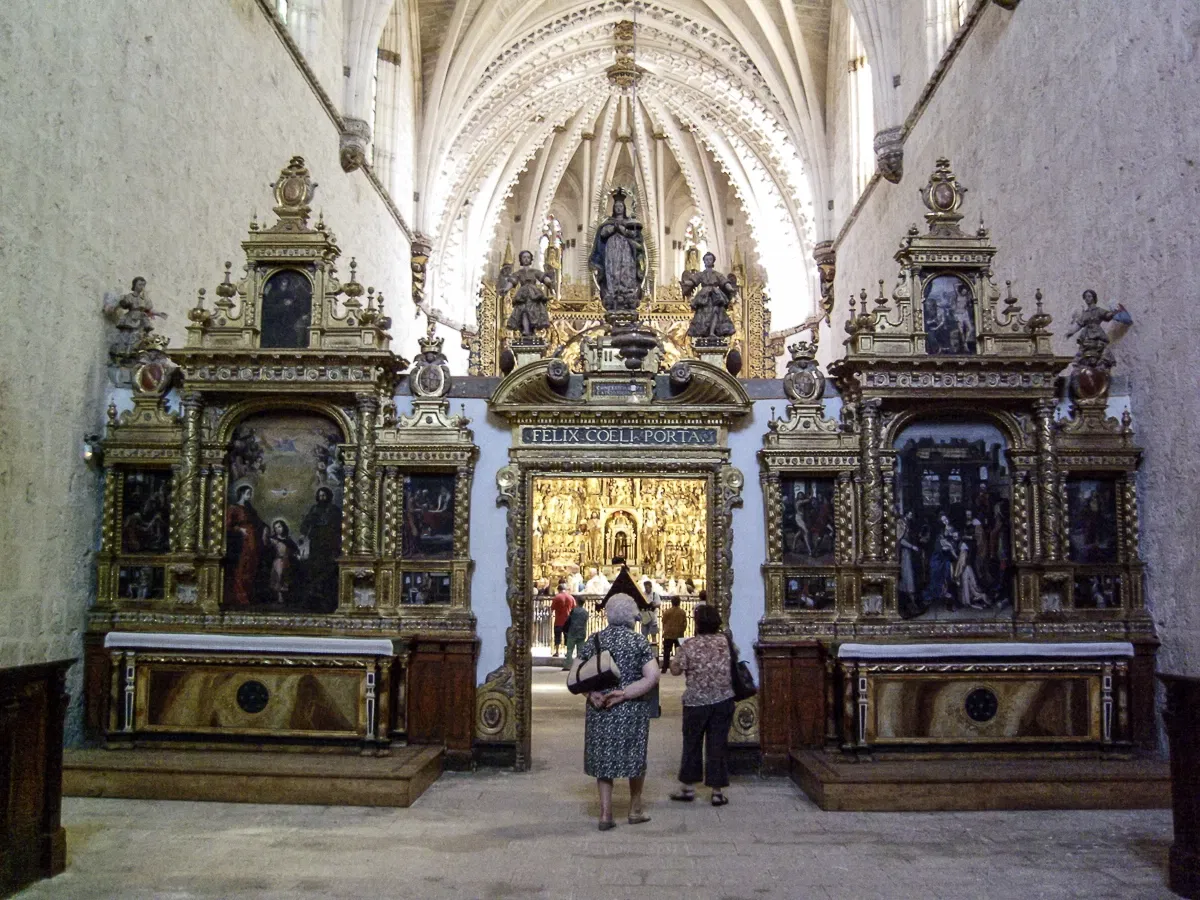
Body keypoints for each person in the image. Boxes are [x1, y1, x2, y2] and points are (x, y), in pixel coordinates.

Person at [577, 594, 660, 830]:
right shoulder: (638, 642)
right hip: (631, 709)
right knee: (634, 754)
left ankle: (606, 814)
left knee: (604, 758)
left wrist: (590, 694)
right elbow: (652, 677)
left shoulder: (594, 640)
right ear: (632, 615)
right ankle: (635, 809)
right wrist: (625, 693)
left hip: (600, 707)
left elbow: (576, 675)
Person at [668, 604, 735, 806]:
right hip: (723, 699)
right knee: (717, 744)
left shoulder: (689, 645)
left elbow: (675, 670)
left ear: (697, 623)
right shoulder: (726, 642)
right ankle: (716, 791)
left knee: (692, 743)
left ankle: (688, 787)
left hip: (696, 701)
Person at [224, 484, 265, 607]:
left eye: (250, 493)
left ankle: (249, 594)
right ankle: (240, 596)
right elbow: (227, 525)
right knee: (242, 566)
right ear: (242, 494)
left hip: (252, 539)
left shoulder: (249, 509)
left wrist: (265, 530)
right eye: (248, 493)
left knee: (251, 565)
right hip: (241, 540)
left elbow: (258, 522)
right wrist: (239, 529)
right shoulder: (233, 508)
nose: (250, 496)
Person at [661, 597, 687, 672]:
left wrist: (665, 629)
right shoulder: (682, 612)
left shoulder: (667, 612)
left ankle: (664, 667)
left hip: (668, 634)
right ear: (679, 603)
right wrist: (682, 630)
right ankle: (678, 667)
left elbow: (664, 622)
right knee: (679, 652)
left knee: (666, 652)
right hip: (679, 634)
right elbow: (684, 623)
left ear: (671, 602)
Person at [562, 596, 589, 669]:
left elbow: (569, 620)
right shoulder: (585, 612)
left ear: (577, 601)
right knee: (580, 650)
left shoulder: (573, 611)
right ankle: (579, 665)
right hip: (582, 633)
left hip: (572, 632)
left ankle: (568, 665)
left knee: (570, 650)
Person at [550, 582, 575, 657]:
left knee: (557, 636)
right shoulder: (571, 597)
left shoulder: (557, 597)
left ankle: (557, 651)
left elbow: (552, 608)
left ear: (558, 589)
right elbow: (574, 608)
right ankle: (568, 652)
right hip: (568, 620)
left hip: (558, 620)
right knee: (567, 636)